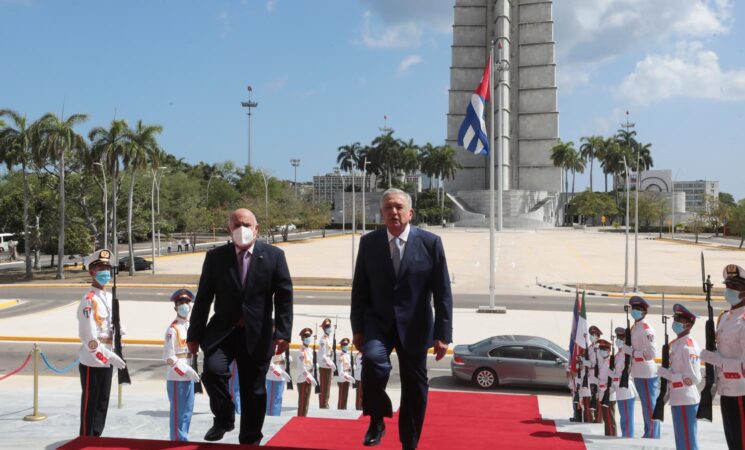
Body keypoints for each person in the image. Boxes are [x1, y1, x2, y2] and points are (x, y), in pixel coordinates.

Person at [351, 188, 453, 450]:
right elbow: (359, 289)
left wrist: (443, 335)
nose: (393, 212)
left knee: (415, 389)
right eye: (388, 208)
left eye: (398, 207)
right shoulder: (369, 242)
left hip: (416, 327)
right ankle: (376, 419)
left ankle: (410, 442)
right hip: (378, 324)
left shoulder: (431, 243)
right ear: (381, 213)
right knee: (373, 364)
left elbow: (442, 292)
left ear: (410, 213)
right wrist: (358, 329)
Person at [186, 208, 293, 445]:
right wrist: (193, 335)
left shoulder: (274, 256)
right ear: (229, 229)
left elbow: (284, 297)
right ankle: (224, 418)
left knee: (253, 390)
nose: (241, 229)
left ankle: (250, 439)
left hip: (258, 333)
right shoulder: (216, 257)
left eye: (246, 224)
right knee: (213, 372)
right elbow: (203, 298)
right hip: (222, 331)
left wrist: (284, 333)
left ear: (257, 229)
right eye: (236, 225)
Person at [77, 249, 126, 437]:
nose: (105, 272)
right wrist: (107, 355)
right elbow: (89, 338)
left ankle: (95, 439)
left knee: (102, 403)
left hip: (107, 357)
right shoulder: (88, 301)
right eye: (100, 268)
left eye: (107, 268)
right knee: (90, 405)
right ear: (91, 271)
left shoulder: (106, 297)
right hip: (93, 359)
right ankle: (85, 441)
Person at [700, 264, 745, 449]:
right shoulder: (726, 317)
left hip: (742, 391)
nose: (729, 290)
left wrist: (715, 359)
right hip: (726, 389)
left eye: (735, 286)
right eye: (728, 285)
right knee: (733, 443)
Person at [657, 304, 701, 450]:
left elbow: (693, 378)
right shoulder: (676, 344)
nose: (675, 322)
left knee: (688, 442)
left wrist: (667, 374)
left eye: (679, 320)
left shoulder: (689, 346)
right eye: (675, 318)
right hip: (677, 398)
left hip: (686, 399)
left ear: (688, 324)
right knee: (681, 442)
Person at [162, 289, 201, 442]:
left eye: (186, 302)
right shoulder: (173, 329)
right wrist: (184, 370)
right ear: (175, 307)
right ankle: (177, 441)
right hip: (177, 377)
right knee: (178, 413)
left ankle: (183, 439)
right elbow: (168, 357)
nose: (184, 305)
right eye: (180, 303)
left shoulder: (191, 326)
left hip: (190, 374)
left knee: (187, 412)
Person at [624, 296, 660, 439]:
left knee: (649, 406)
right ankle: (649, 432)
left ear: (644, 312)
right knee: (646, 406)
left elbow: (652, 353)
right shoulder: (635, 327)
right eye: (634, 309)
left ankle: (652, 435)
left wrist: (632, 352)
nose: (634, 311)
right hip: (638, 371)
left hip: (646, 372)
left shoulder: (646, 329)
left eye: (638, 309)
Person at [612, 327, 637, 437]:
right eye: (618, 338)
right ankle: (625, 437)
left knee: (627, 419)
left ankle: (628, 439)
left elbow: (629, 371)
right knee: (623, 418)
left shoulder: (629, 354)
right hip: (619, 390)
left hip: (627, 390)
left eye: (622, 338)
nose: (619, 340)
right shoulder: (617, 355)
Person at [594, 339, 617, 436]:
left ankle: (611, 436)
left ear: (609, 351)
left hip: (609, 395)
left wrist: (607, 388)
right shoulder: (602, 361)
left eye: (604, 349)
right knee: (606, 418)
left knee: (610, 419)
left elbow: (615, 380)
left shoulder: (611, 362)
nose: (602, 351)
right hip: (602, 393)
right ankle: (608, 435)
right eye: (601, 349)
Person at [296, 327, 317, 417]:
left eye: (309, 336)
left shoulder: (310, 350)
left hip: (309, 377)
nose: (308, 338)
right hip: (303, 379)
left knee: (307, 400)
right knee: (302, 401)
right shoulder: (301, 351)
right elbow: (302, 368)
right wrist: (309, 377)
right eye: (306, 336)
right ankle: (300, 418)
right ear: (303, 338)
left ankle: (304, 417)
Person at [266, 347, 291, 416]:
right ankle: (271, 419)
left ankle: (276, 417)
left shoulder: (283, 346)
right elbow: (269, 363)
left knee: (278, 400)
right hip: (273, 378)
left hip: (281, 378)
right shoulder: (272, 344)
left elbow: (282, 361)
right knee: (272, 402)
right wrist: (279, 372)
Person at [318, 318, 335, 409]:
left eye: (330, 326)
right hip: (325, 365)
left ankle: (325, 403)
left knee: (327, 386)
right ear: (324, 328)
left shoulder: (329, 338)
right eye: (327, 326)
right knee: (324, 386)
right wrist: (330, 364)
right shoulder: (323, 340)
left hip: (328, 364)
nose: (329, 328)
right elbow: (323, 356)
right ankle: (323, 404)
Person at [336, 337, 355, 410]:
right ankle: (340, 410)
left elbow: (349, 366)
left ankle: (344, 409)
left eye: (347, 344)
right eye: (344, 344)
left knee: (345, 395)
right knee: (341, 396)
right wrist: (347, 376)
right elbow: (340, 370)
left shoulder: (347, 355)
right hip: (342, 378)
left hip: (347, 377)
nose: (346, 346)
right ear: (341, 346)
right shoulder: (340, 356)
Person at [354, 347, 363, 411]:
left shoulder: (360, 354)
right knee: (360, 394)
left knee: (361, 393)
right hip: (360, 377)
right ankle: (359, 407)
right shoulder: (360, 355)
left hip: (360, 376)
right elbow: (360, 366)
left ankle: (360, 407)